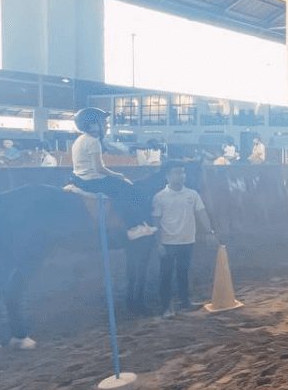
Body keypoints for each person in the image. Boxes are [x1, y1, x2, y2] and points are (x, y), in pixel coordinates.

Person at [69, 107, 155, 239]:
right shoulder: (93, 142)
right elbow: (99, 169)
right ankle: (134, 227)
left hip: (79, 178)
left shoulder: (80, 139)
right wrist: (118, 175)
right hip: (93, 180)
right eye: (104, 122)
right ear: (93, 124)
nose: (107, 125)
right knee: (131, 191)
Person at [152, 163, 217, 317]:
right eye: (176, 172)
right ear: (167, 176)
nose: (180, 176)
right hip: (168, 242)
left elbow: (201, 213)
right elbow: (156, 221)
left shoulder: (192, 194)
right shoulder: (159, 197)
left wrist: (209, 232)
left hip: (187, 240)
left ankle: (184, 301)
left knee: (183, 272)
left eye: (182, 172)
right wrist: (158, 243)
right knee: (166, 275)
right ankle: (166, 307)